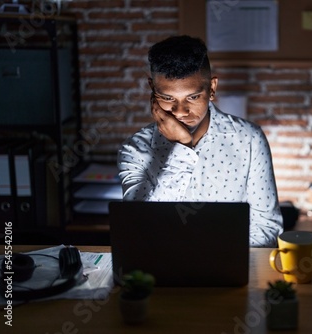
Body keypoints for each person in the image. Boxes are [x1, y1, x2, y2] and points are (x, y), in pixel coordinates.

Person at [117, 35, 283, 247]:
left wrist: (203, 249)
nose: (180, 112)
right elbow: (141, 229)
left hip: (229, 268)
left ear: (212, 88)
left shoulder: (249, 139)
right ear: (152, 89)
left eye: (193, 97)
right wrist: (182, 147)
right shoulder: (135, 149)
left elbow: (267, 229)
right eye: (168, 98)